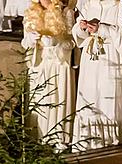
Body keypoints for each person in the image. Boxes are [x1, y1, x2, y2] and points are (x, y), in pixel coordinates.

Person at [71, 0, 122, 149]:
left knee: (107, 95)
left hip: (111, 56)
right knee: (90, 94)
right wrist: (81, 28)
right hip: (91, 58)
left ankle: (110, 138)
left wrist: (102, 29)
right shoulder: (89, 4)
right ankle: (87, 138)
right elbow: (77, 33)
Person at [21, 0, 76, 148]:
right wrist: (30, 41)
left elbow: (71, 42)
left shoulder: (66, 13)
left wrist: (56, 42)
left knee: (56, 100)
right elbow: (24, 42)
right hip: (39, 65)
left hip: (58, 65)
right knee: (39, 100)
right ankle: (38, 138)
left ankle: (58, 139)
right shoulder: (30, 13)